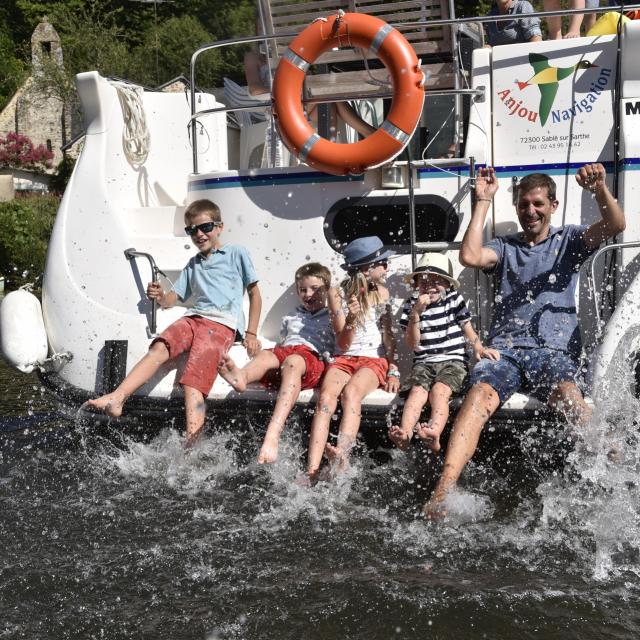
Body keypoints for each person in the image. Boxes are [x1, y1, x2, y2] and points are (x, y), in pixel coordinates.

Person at [424, 163, 626, 516]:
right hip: (505, 353)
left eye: (537, 204)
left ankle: (611, 475)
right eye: (523, 205)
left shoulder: (570, 241)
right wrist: (483, 200)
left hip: (553, 353)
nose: (530, 211)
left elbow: (616, 226)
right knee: (477, 398)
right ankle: (443, 491)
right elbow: (470, 256)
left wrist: (598, 190)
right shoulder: (504, 247)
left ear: (553, 206)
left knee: (568, 395)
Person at [87, 199, 262, 447]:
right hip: (192, 318)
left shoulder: (237, 253)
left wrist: (251, 333)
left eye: (205, 227)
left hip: (221, 324)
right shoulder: (193, 264)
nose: (199, 234)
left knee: (194, 380)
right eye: (192, 230)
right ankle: (118, 398)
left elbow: (255, 294)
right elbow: (173, 299)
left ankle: (192, 445)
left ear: (219, 226)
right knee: (160, 347)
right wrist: (160, 296)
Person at [218, 262, 335, 464]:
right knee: (265, 355)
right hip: (289, 355)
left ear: (327, 289)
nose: (308, 294)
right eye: (303, 290)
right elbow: (283, 344)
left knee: (292, 361)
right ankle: (242, 376)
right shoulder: (292, 316)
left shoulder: (332, 316)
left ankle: (273, 434)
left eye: (316, 289)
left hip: (312, 360)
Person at [305, 236, 400, 481]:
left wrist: (393, 370)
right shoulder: (337, 293)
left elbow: (388, 336)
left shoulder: (382, 293)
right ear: (368, 269)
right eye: (383, 263)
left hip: (372, 360)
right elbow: (343, 343)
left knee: (351, 394)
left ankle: (342, 455)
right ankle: (312, 470)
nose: (387, 268)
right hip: (344, 357)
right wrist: (350, 320)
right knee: (325, 399)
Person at [388, 253, 499, 453]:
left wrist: (479, 347)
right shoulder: (412, 304)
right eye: (424, 280)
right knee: (417, 392)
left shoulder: (453, 299)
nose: (430, 285)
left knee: (439, 391)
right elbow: (413, 343)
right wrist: (416, 314)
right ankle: (405, 434)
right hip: (424, 362)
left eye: (437, 280)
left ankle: (434, 432)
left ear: (447, 285)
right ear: (416, 285)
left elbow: (467, 326)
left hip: (453, 361)